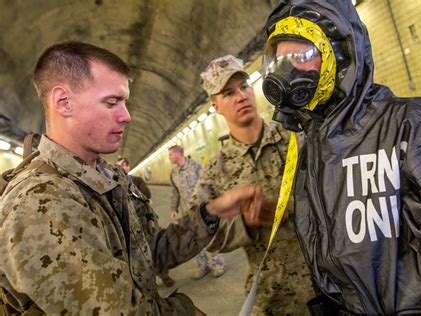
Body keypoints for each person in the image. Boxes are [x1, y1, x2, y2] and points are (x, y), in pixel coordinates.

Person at [0, 41, 262, 315]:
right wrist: (185, 311)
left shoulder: (109, 177)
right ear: (63, 102)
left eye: (124, 102)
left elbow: (149, 253)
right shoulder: (39, 202)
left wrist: (209, 214)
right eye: (112, 102)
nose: (127, 116)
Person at [262, 1, 421, 315]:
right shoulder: (312, 148)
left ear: (341, 55)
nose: (286, 71)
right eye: (279, 59)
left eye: (301, 56)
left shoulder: (420, 127)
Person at [195, 55, 315, 315]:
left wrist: (291, 207)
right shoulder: (216, 171)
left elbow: (334, 189)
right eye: (228, 93)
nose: (241, 96)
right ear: (216, 106)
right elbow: (204, 235)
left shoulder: (296, 138)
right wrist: (245, 223)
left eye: (244, 86)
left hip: (326, 282)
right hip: (274, 297)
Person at [117, 156, 176, 288]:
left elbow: (146, 194)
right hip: (129, 229)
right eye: (120, 165)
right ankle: (146, 283)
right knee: (137, 257)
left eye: (125, 164)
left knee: (156, 250)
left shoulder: (136, 181)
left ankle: (164, 276)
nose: (123, 167)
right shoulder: (114, 184)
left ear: (128, 167)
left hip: (145, 224)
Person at [168, 145, 225, 278]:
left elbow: (207, 183)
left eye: (170, 154)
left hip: (203, 210)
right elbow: (175, 192)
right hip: (187, 212)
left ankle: (217, 265)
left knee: (209, 237)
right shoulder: (173, 173)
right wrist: (173, 208)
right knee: (194, 240)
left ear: (178, 154)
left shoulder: (196, 166)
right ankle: (202, 266)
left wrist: (214, 202)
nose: (169, 158)